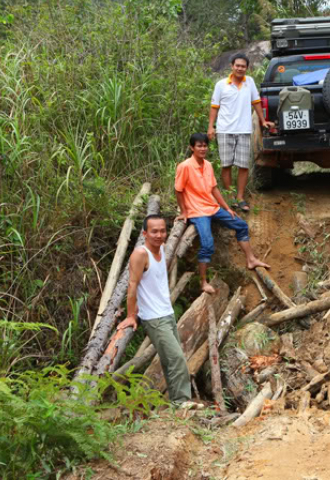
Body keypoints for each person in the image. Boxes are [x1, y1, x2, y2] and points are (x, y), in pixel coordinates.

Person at [175, 133, 270, 294]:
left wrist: (226, 207)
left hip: (212, 207)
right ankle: (203, 282)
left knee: (241, 225)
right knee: (207, 244)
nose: (203, 148)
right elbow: (178, 190)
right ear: (192, 148)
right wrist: (184, 211)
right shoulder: (184, 166)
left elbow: (213, 188)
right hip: (197, 211)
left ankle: (251, 259)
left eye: (205, 145)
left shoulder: (208, 165)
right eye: (199, 145)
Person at [116, 215, 192, 404]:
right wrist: (131, 316)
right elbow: (132, 286)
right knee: (177, 359)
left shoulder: (161, 250)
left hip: (167, 313)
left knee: (170, 360)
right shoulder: (141, 254)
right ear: (145, 233)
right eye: (154, 231)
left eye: (162, 230)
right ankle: (181, 402)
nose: (159, 235)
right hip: (154, 318)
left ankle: (176, 403)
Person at [208, 53, 274, 212]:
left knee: (243, 165)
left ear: (247, 68)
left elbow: (256, 102)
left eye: (243, 66)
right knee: (226, 164)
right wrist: (211, 127)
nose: (240, 68)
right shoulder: (221, 85)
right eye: (237, 65)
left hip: (244, 130)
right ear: (232, 66)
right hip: (224, 130)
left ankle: (240, 197)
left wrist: (263, 120)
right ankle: (230, 198)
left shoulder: (249, 82)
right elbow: (214, 107)